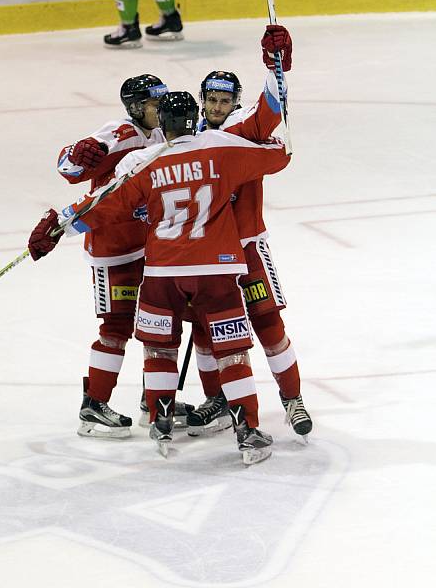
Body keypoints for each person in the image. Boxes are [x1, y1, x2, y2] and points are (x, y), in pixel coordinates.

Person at [29, 92, 292, 465]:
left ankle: (161, 420)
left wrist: (56, 228)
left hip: (162, 273)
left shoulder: (143, 161)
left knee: (160, 349)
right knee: (231, 353)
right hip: (216, 271)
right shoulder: (219, 146)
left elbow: (103, 204)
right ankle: (247, 431)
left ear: (163, 123)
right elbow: (278, 155)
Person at [186, 24, 313, 440]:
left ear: (234, 103)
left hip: (247, 248)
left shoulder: (244, 129)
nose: (218, 106)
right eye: (212, 99)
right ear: (202, 100)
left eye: (225, 100)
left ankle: (292, 398)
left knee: (268, 324)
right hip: (203, 256)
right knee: (205, 333)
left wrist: (276, 68)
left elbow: (269, 114)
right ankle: (218, 400)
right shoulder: (186, 138)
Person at [54, 73, 192, 438]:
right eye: (153, 103)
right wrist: (77, 156)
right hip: (112, 251)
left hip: (150, 247)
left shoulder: (162, 135)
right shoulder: (120, 135)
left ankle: (155, 397)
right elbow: (68, 168)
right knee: (116, 327)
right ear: (135, 107)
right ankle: (94, 405)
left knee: (157, 324)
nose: (160, 109)